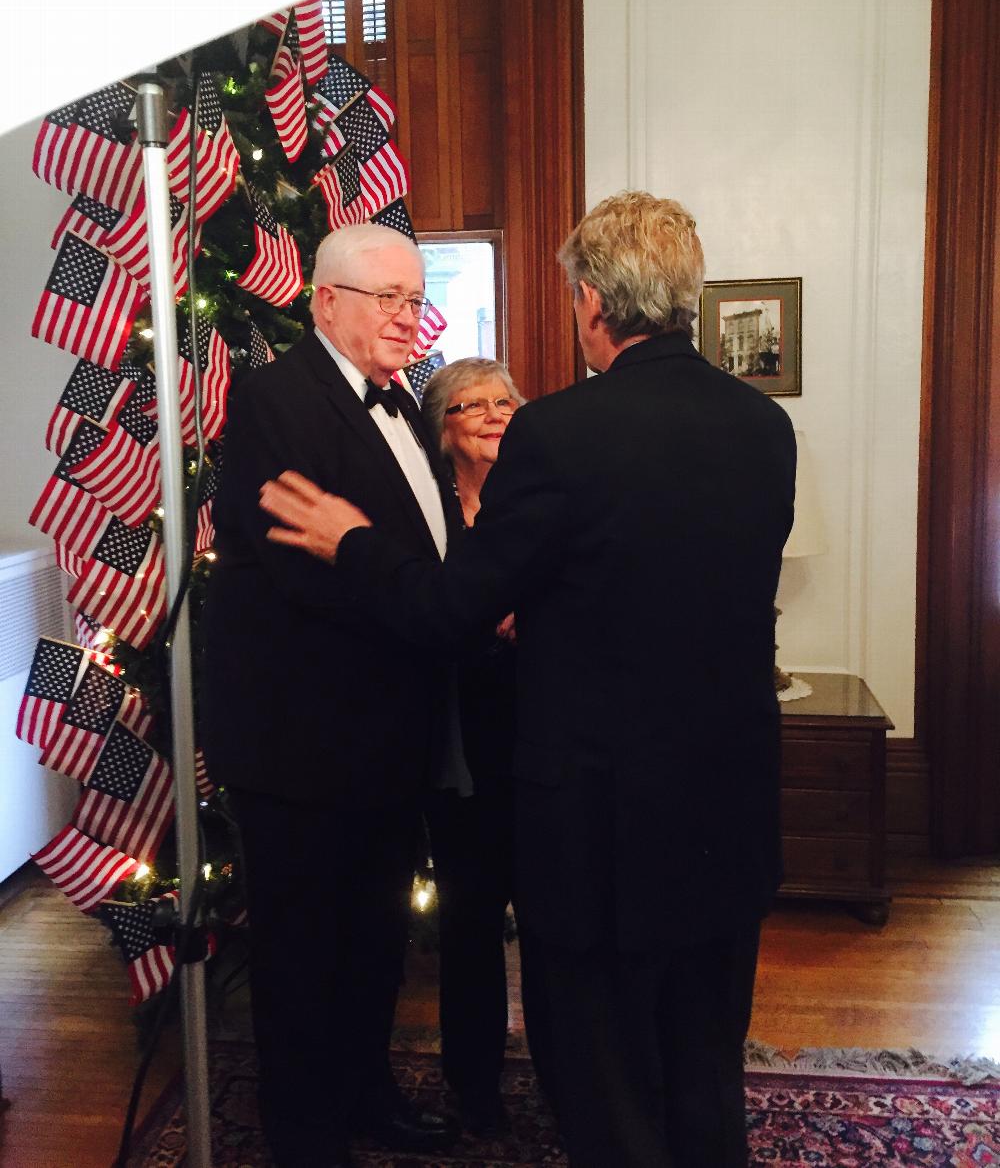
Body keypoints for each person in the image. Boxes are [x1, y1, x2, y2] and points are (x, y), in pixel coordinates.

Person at [258, 191, 797, 1168]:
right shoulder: (762, 428)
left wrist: (354, 541)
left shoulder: (558, 433)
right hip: (726, 802)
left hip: (600, 818)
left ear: (590, 302)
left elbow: (448, 607)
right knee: (704, 1065)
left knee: (605, 1076)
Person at [199, 223, 460, 1168]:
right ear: (326, 302)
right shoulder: (279, 399)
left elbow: (418, 556)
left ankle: (366, 1095)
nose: (406, 317)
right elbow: (304, 571)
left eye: (415, 297)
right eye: (385, 297)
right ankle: (306, 1138)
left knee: (374, 943)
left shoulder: (403, 406)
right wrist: (435, 612)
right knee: (306, 956)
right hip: (303, 748)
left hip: (389, 743)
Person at [419, 357, 523, 1132]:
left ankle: (569, 1071)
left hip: (545, 735)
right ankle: (474, 1085)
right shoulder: (423, 509)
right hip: (458, 743)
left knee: (558, 922)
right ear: (442, 426)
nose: (492, 413)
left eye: (504, 401)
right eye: (470, 404)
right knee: (471, 919)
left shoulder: (540, 499)